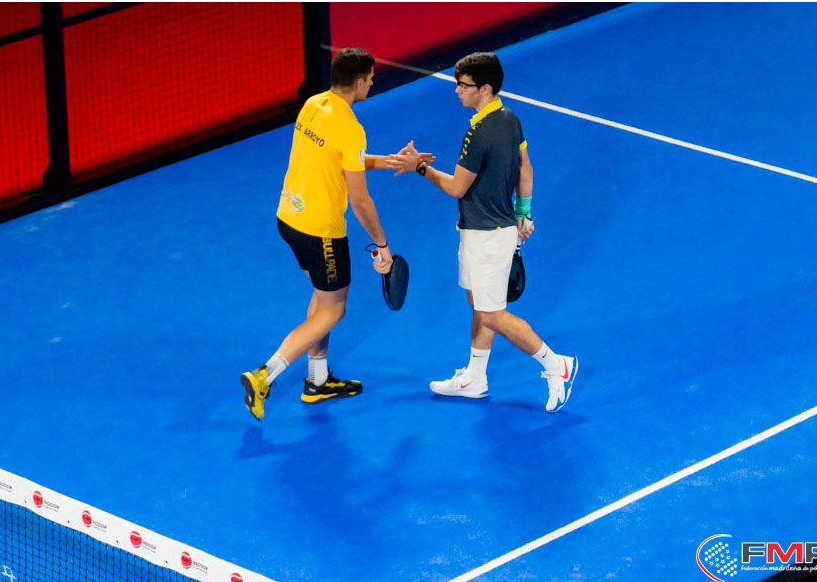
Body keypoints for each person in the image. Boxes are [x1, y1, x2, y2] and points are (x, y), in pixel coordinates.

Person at [241, 48, 429, 421]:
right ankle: (264, 375)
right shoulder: (351, 127)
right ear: (359, 82)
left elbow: (343, 159)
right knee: (334, 309)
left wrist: (390, 161)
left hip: (289, 219)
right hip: (321, 232)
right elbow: (359, 200)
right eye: (370, 78)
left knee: (323, 295)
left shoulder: (313, 105)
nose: (372, 82)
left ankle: (317, 380)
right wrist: (383, 245)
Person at [386, 51, 578, 412]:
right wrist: (524, 212)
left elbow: (457, 187)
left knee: (491, 313)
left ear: (485, 88)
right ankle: (475, 378)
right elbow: (525, 168)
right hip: (485, 229)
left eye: (463, 85)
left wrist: (419, 168)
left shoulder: (479, 132)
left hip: (487, 236)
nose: (457, 90)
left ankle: (557, 365)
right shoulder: (510, 118)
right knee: (478, 302)